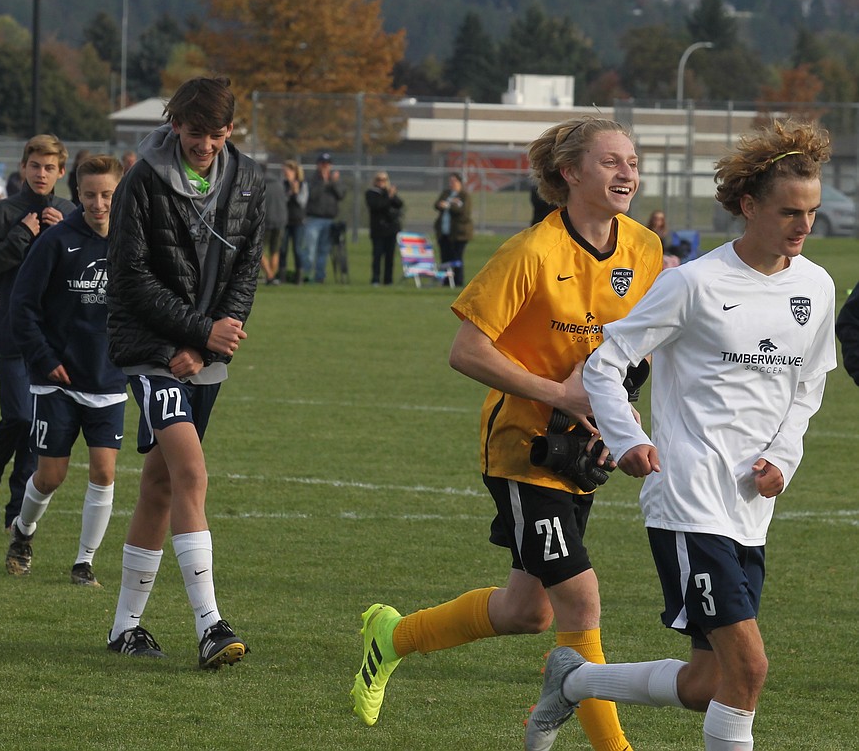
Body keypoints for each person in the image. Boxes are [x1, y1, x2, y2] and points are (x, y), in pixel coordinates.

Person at [351, 117, 662, 751]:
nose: (627, 172)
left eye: (631, 161)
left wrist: (615, 420)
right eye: (610, 162)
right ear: (570, 173)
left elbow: (638, 350)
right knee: (581, 604)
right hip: (523, 450)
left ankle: (391, 637)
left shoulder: (644, 249)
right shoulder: (532, 251)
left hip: (583, 451)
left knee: (529, 612)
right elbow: (466, 351)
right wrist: (561, 395)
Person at [528, 121, 837, 751]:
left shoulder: (816, 286)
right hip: (689, 501)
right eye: (789, 212)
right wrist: (627, 440)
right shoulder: (693, 284)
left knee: (709, 681)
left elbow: (808, 389)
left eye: (812, 212)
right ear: (748, 206)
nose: (803, 226)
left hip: (750, 508)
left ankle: (576, 681)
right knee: (749, 670)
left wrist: (782, 457)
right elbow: (605, 366)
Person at [105, 76, 263, 668]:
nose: (205, 146)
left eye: (217, 136)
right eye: (196, 134)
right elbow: (130, 278)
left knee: (162, 483)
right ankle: (210, 625)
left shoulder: (247, 178)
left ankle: (126, 627)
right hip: (147, 349)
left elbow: (247, 267)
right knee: (191, 471)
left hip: (204, 352)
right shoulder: (141, 181)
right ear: (175, 124)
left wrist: (215, 339)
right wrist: (197, 333)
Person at [5, 155, 127, 585]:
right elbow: (21, 306)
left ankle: (84, 562)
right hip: (56, 380)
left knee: (104, 471)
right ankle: (23, 532)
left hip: (108, 378)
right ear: (77, 193)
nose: (98, 203)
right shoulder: (56, 241)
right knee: (51, 475)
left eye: (107, 194)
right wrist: (44, 359)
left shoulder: (132, 242)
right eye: (90, 194)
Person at [0, 134, 75, 530]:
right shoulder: (5, 211)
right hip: (12, 331)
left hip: (52, 338)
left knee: (38, 428)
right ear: (23, 168)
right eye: (35, 166)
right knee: (17, 416)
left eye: (50, 167)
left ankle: (18, 511)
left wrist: (63, 232)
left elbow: (79, 270)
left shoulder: (70, 212)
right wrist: (23, 234)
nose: (41, 173)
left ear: (61, 172)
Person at [301, 152, 345, 284]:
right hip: (313, 219)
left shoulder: (335, 181)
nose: (325, 167)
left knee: (323, 251)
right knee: (310, 250)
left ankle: (320, 276)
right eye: (322, 164)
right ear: (318, 165)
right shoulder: (312, 180)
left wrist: (332, 183)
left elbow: (341, 195)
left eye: (327, 164)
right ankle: (307, 275)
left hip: (329, 220)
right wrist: (323, 182)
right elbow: (311, 196)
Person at [434, 173, 473, 286]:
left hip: (459, 234)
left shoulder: (464, 195)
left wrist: (450, 205)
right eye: (450, 181)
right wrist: (441, 204)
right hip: (444, 232)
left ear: (460, 182)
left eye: (454, 181)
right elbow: (437, 204)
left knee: (457, 258)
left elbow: (464, 212)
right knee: (445, 258)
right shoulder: (446, 193)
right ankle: (446, 281)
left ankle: (458, 281)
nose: (452, 183)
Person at [366, 171, 403, 286]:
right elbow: (378, 205)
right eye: (379, 180)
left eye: (384, 180)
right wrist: (389, 196)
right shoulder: (371, 193)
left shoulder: (388, 192)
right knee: (377, 255)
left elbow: (399, 204)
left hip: (391, 230)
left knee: (390, 256)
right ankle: (375, 279)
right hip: (378, 230)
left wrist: (391, 194)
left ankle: (388, 280)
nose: (382, 182)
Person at [278, 160, 307, 284]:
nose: (286, 173)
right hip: (284, 221)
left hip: (298, 222)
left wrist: (295, 192)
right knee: (282, 249)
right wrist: (289, 192)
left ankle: (298, 277)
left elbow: (302, 202)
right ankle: (282, 276)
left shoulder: (302, 185)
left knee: (297, 250)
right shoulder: (282, 184)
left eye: (288, 171)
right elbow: (281, 200)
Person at [261, 164, 288, 284]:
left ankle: (270, 276)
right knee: (274, 250)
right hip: (280, 220)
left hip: (266, 221)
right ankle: (272, 278)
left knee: (258, 251)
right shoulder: (278, 183)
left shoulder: (259, 183)